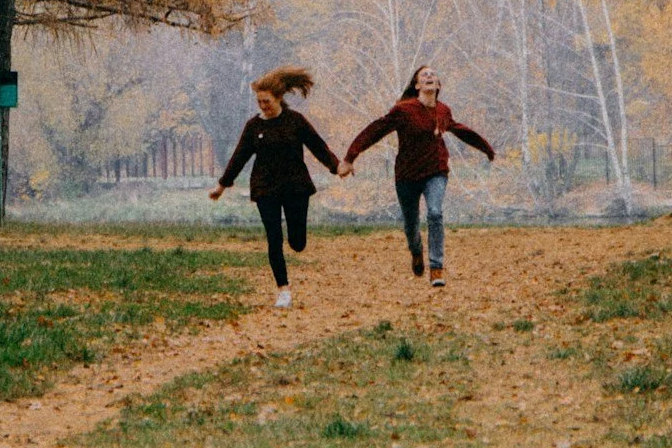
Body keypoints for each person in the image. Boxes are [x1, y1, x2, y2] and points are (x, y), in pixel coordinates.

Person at [345, 64, 494, 288]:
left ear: (438, 85)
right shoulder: (403, 110)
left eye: (433, 74)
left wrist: (486, 148)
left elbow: (460, 130)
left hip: (436, 171)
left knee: (435, 213)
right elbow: (376, 129)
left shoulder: (443, 110)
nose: (429, 76)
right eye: (424, 75)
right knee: (411, 226)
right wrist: (350, 156)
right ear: (417, 85)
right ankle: (416, 251)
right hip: (407, 175)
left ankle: (436, 267)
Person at [210, 67, 348, 308]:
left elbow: (318, 146)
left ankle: (296, 242)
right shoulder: (254, 127)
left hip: (296, 187)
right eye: (259, 101)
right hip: (266, 189)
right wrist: (222, 186)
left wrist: (336, 167)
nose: (263, 106)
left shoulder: (295, 121)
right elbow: (239, 157)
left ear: (279, 98)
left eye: (267, 101)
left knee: (297, 243)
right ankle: (283, 290)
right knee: (274, 238)